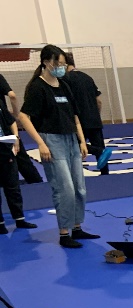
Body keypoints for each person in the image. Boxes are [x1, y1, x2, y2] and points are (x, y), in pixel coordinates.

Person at [18, 45, 97, 248]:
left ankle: (77, 228)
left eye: (63, 64)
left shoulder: (64, 85)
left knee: (79, 187)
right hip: (52, 141)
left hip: (71, 139)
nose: (61, 67)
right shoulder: (38, 87)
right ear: (46, 62)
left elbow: (75, 116)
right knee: (65, 189)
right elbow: (23, 116)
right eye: (58, 63)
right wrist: (41, 143)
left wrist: (82, 140)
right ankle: (64, 233)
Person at [64, 52, 111, 175]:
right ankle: (105, 174)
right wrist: (96, 114)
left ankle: (97, 151)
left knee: (75, 145)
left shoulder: (65, 80)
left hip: (79, 120)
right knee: (99, 146)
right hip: (94, 118)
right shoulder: (88, 77)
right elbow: (98, 100)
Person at [0, 83, 36, 234]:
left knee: (13, 187)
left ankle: (20, 219)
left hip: (5, 150)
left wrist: (15, 138)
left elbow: (11, 122)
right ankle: (0, 223)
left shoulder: (0, 106)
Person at [0, 72, 43, 184]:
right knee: (21, 159)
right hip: (5, 125)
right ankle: (36, 183)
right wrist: (15, 114)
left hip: (5, 125)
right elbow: (12, 95)